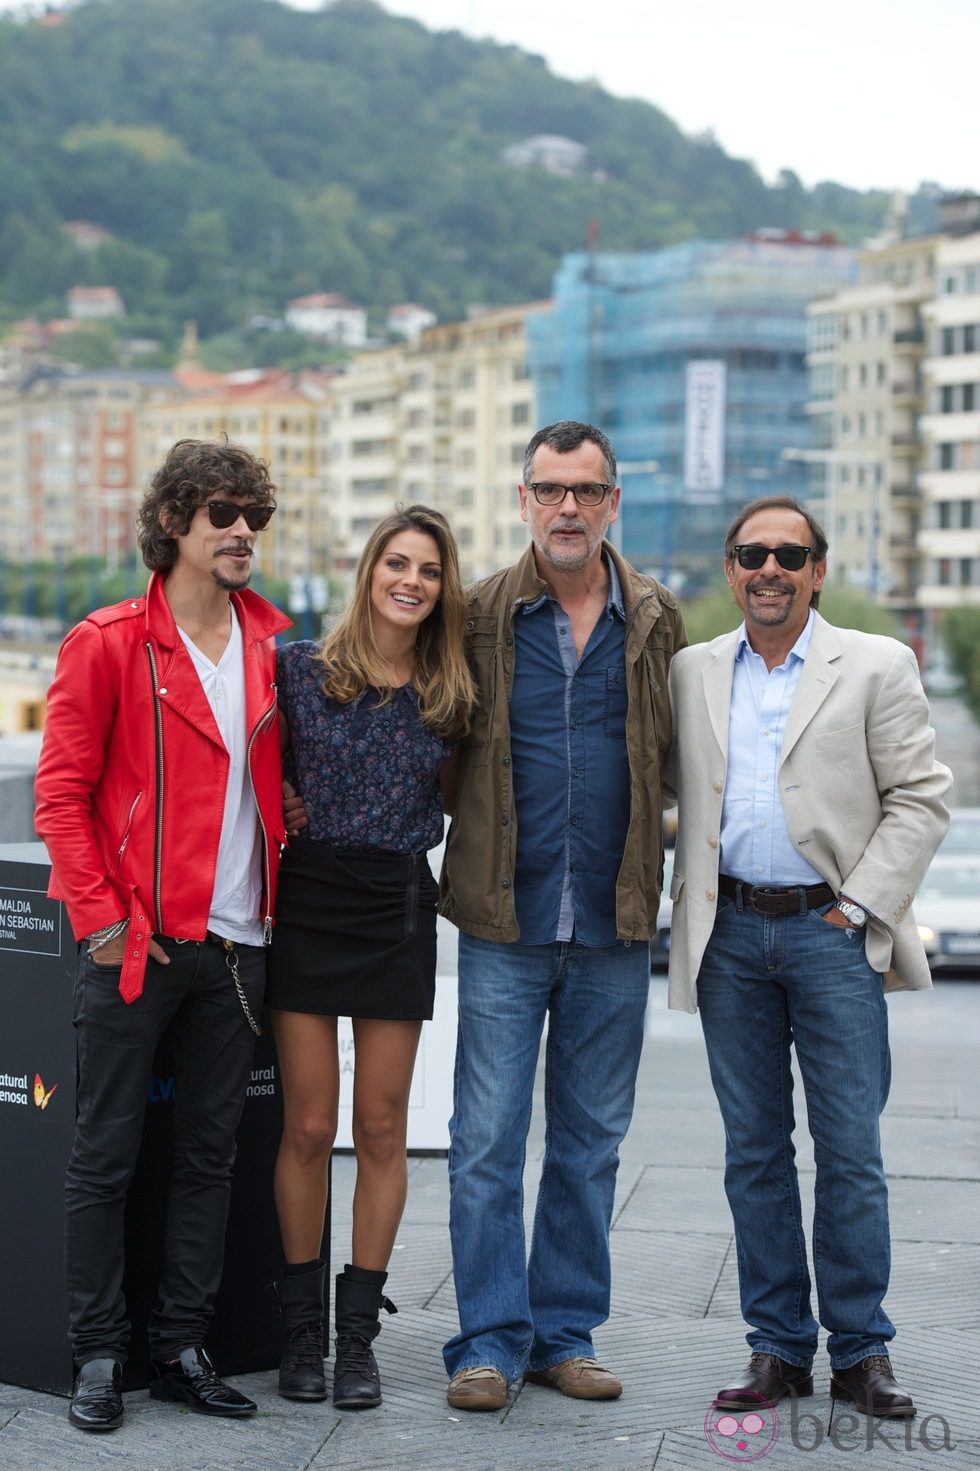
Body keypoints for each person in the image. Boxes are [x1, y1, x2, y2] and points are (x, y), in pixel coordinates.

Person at [666, 495, 951, 1419]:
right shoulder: (691, 670)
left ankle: (862, 1351)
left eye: (790, 554)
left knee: (851, 1151)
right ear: (731, 568)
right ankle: (778, 1347)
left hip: (834, 934)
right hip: (732, 938)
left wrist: (859, 903)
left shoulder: (876, 663)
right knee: (752, 1152)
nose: (770, 569)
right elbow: (673, 793)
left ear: (817, 569)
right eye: (753, 553)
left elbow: (921, 797)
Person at [34, 439, 289, 1432]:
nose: (241, 533)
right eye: (223, 513)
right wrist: (100, 923)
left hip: (237, 951)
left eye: (254, 517)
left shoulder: (273, 643)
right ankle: (97, 1351)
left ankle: (182, 1345)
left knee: (210, 1158)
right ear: (175, 520)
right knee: (104, 1155)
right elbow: (59, 796)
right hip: (135, 947)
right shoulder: (106, 640)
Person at [439, 421, 686, 1411]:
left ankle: (564, 1332)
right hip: (504, 920)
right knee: (487, 1142)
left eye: (586, 490)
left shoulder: (658, 620)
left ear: (613, 501)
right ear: (523, 499)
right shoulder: (478, 615)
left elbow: (683, 762)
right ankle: (488, 1340)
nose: (568, 508)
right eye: (549, 490)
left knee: (588, 1144)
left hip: (614, 924)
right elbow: (427, 739)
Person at [269, 506, 474, 1410]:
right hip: (310, 898)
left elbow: (471, 798)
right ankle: (301, 1333)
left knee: (382, 1129)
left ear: (442, 587)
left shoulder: (451, 691)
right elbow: (254, 766)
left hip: (397, 906)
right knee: (310, 1127)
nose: (412, 581)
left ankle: (358, 1339)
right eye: (398, 562)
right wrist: (280, 794)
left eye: (429, 570)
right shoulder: (301, 668)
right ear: (370, 570)